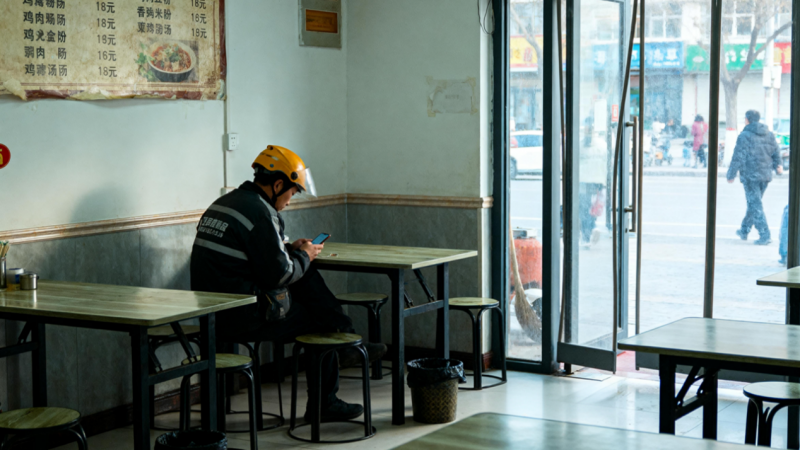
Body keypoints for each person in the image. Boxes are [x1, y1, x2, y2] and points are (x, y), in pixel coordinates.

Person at [190, 145, 387, 423]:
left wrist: (288, 250)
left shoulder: (226, 203)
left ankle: (345, 338)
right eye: (292, 193)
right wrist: (304, 255)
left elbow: (251, 257)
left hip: (211, 312)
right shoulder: (261, 212)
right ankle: (327, 393)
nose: (290, 200)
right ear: (278, 185)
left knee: (304, 276)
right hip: (241, 315)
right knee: (318, 320)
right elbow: (279, 275)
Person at [727, 110, 783, 245]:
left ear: (747, 119)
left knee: (755, 204)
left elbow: (738, 156)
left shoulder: (744, 135)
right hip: (765, 175)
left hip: (750, 176)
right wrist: (778, 165)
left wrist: (731, 174)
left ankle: (765, 235)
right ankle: (744, 230)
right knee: (754, 203)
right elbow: (776, 151)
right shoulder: (769, 134)